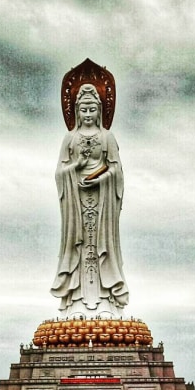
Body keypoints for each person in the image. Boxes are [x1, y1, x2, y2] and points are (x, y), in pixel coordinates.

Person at [50, 81, 129, 317]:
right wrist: (76, 167)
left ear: (100, 110)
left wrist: (101, 178)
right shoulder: (69, 139)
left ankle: (105, 300)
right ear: (76, 111)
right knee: (79, 246)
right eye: (83, 110)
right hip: (76, 203)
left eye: (91, 109)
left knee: (102, 245)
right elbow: (59, 172)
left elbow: (117, 170)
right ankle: (76, 300)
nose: (87, 115)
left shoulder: (107, 137)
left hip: (102, 201)